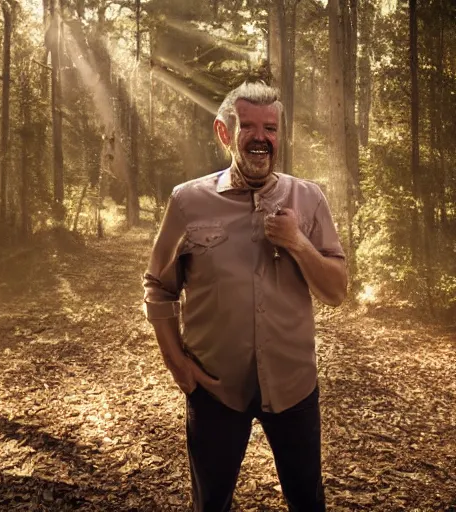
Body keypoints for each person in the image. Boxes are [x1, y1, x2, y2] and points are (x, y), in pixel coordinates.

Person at [142, 81, 348, 512]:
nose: (261, 138)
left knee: (307, 501)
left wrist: (298, 242)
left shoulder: (308, 199)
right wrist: (177, 365)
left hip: (293, 388)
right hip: (216, 392)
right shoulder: (187, 201)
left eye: (270, 128)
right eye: (248, 126)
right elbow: (159, 287)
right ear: (224, 132)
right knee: (211, 502)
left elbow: (336, 291)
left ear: (279, 135)